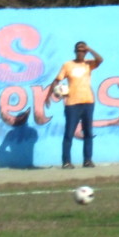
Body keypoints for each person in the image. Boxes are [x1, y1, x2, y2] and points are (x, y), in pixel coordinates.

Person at [44, 41, 103, 169]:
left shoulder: (88, 64)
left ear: (86, 52)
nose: (80, 53)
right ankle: (66, 161)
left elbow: (100, 59)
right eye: (78, 50)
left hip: (88, 102)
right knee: (69, 133)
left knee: (88, 132)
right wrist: (48, 96)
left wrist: (90, 48)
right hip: (72, 104)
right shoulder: (68, 65)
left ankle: (87, 160)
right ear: (75, 51)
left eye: (83, 50)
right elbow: (57, 80)